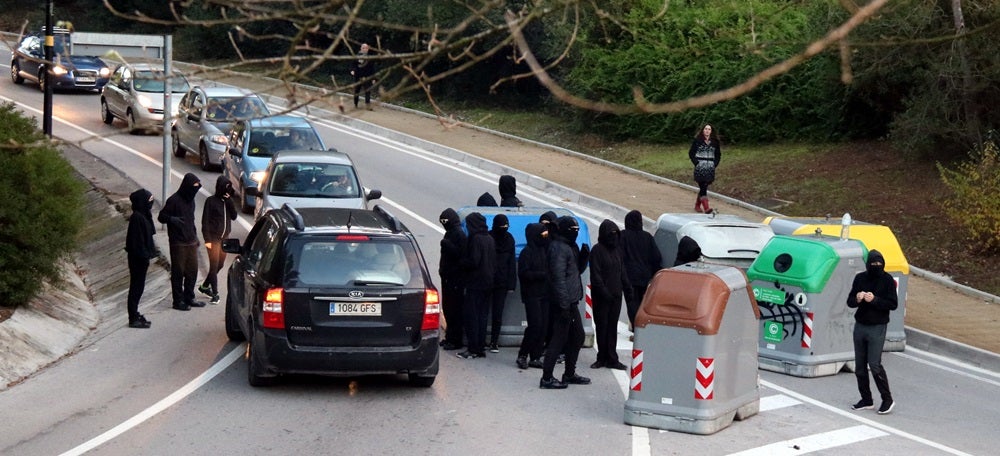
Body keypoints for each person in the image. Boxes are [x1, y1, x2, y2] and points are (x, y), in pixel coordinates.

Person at [540, 216, 590, 389]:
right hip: (563, 302)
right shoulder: (559, 248)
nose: (576, 233)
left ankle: (569, 373)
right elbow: (558, 278)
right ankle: (547, 377)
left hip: (569, 300)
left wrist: (583, 258)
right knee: (559, 339)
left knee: (577, 337)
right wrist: (564, 305)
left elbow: (574, 272)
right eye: (573, 230)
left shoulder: (568, 246)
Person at [847, 249, 899, 415]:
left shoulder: (887, 280)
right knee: (860, 366)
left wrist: (874, 300)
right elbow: (850, 302)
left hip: (877, 326)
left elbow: (892, 304)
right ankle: (866, 399)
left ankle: (887, 399)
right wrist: (858, 298)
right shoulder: (860, 278)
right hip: (860, 325)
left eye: (879, 264)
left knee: (874, 364)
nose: (876, 266)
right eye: (873, 264)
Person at [158, 173, 206, 311]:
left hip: (191, 241)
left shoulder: (191, 201)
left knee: (192, 271)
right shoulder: (173, 200)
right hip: (178, 243)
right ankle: (177, 300)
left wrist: (196, 237)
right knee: (178, 272)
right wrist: (172, 220)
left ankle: (189, 297)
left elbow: (191, 221)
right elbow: (161, 216)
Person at [588, 219, 632, 370]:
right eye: (611, 234)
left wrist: (628, 289)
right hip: (602, 297)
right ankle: (602, 357)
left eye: (616, 233)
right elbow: (596, 275)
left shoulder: (617, 251)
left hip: (616, 297)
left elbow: (622, 271)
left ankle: (612, 358)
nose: (614, 237)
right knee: (602, 327)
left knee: (612, 327)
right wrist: (604, 293)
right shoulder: (597, 251)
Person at [457, 212, 496, 360]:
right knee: (483, 316)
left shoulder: (475, 239)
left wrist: (462, 262)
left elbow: (474, 261)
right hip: (488, 282)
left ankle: (472, 348)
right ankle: (480, 347)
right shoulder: (489, 239)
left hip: (476, 283)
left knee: (472, 316)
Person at [198, 176, 237, 305]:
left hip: (224, 240)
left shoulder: (227, 202)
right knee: (214, 266)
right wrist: (207, 239)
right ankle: (215, 293)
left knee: (220, 265)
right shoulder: (210, 201)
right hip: (213, 240)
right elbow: (205, 222)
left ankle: (204, 286)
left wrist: (229, 201)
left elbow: (234, 216)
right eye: (225, 188)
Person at [620, 210, 661, 330]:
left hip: (628, 277)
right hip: (644, 277)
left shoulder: (623, 236)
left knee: (632, 303)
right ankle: (641, 326)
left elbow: (619, 255)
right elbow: (656, 256)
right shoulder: (647, 237)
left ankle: (636, 327)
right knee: (642, 303)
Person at [516, 222, 549, 370]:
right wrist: (542, 275)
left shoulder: (544, 250)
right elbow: (523, 273)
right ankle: (523, 354)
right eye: (543, 234)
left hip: (544, 293)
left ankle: (535, 356)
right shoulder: (527, 253)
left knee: (543, 326)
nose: (545, 237)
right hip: (532, 294)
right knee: (535, 325)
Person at [124, 188, 156, 329]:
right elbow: (136, 242)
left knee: (139, 287)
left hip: (142, 258)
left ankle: (135, 313)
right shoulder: (137, 218)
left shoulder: (144, 215)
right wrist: (144, 255)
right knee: (136, 287)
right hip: (137, 259)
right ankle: (133, 317)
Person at [438, 208, 468, 351]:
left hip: (455, 279)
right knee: (448, 309)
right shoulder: (450, 233)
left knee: (455, 310)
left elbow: (460, 256)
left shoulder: (459, 235)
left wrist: (447, 245)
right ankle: (450, 337)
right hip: (448, 277)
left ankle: (456, 340)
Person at [488, 214, 517, 353]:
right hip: (501, 281)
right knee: (496, 313)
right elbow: (511, 263)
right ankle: (493, 341)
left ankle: (489, 340)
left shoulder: (489, 237)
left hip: (491, 280)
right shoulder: (509, 239)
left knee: (487, 311)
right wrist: (511, 284)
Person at [688, 124, 721, 213]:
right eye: (705, 129)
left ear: (711, 131)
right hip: (700, 167)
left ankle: (697, 205)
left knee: (704, 186)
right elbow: (691, 153)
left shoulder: (715, 142)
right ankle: (706, 207)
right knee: (703, 186)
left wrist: (715, 164)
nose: (707, 131)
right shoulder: (697, 141)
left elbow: (718, 155)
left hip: (710, 167)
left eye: (709, 129)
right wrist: (696, 163)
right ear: (703, 130)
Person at [351, 43, 376, 109]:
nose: (365, 49)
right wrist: (353, 70)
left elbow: (372, 68)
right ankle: (355, 103)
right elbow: (353, 65)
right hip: (358, 76)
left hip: (367, 77)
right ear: (361, 49)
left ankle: (368, 105)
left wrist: (373, 78)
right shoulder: (357, 57)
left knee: (367, 91)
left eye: (366, 48)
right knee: (357, 91)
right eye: (363, 48)